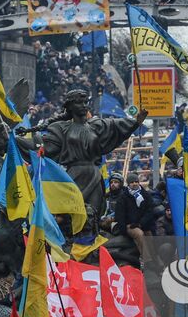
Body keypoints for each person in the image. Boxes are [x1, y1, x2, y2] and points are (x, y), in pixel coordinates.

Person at [38, 89, 147, 225]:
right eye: (79, 102)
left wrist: (136, 122)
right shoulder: (61, 128)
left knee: (93, 214)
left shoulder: (97, 126)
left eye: (85, 102)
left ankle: (92, 243)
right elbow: (47, 148)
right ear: (70, 106)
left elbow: (117, 126)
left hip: (94, 176)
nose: (84, 105)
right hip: (73, 176)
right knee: (70, 215)